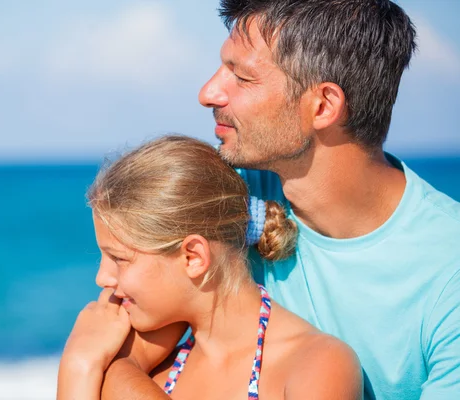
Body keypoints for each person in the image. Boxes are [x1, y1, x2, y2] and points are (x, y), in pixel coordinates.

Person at [96, 1, 460, 400]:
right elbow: (115, 346)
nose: (207, 92)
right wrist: (92, 363)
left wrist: (100, 365)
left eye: (243, 76)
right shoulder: (229, 196)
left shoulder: (448, 273)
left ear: (323, 106)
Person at [57, 136, 363, 400]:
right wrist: (81, 365)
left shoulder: (317, 366)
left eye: (119, 259)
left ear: (193, 257)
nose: (102, 278)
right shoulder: (154, 374)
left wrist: (99, 367)